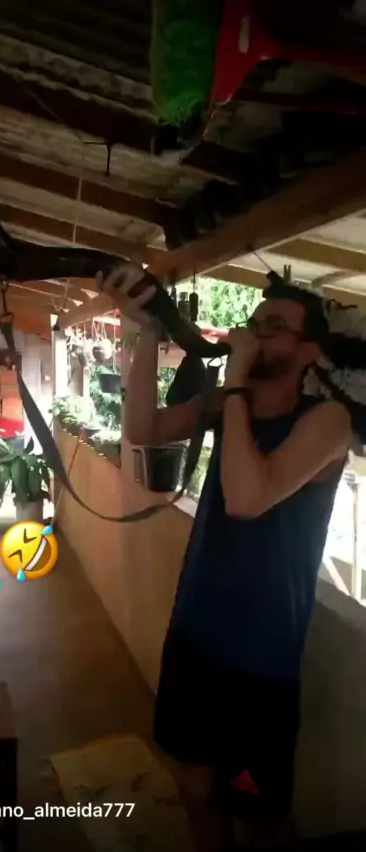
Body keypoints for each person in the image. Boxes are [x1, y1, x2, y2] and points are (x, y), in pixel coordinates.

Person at [99, 265, 352, 851]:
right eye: (254, 322)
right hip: (195, 633)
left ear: (310, 351)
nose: (255, 333)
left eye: (275, 327)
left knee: (260, 816)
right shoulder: (226, 404)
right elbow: (142, 430)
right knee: (196, 790)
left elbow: (247, 498)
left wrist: (235, 383)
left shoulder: (327, 422)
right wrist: (146, 335)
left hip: (260, 657)